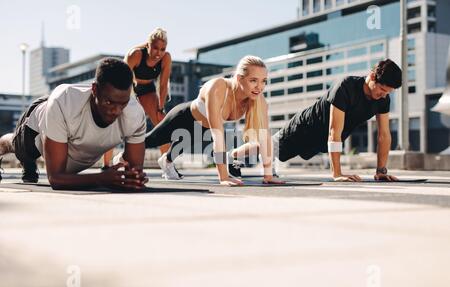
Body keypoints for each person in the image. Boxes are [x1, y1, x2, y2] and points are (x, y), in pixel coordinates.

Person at [238, 59, 401, 182]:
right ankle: (233, 156)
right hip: (305, 128)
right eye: (382, 89)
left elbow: (384, 135)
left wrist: (381, 171)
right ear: (372, 76)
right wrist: (337, 174)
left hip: (322, 140)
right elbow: (334, 130)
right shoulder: (346, 87)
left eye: (388, 93)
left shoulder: (382, 100)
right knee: (270, 148)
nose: (384, 95)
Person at [0, 58, 148, 190]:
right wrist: (102, 178)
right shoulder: (63, 104)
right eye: (109, 102)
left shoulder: (134, 114)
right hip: (39, 122)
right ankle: (11, 149)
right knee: (20, 149)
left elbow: (134, 170)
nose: (116, 111)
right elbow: (56, 178)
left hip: (65, 118)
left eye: (123, 103)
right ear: (95, 89)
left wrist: (132, 176)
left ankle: (28, 163)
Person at [145, 55, 284, 186]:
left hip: (202, 128)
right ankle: (123, 158)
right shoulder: (218, 87)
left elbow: (264, 138)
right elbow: (217, 134)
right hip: (184, 117)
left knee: (177, 150)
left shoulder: (259, 101)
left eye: (263, 81)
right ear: (239, 78)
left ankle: (167, 162)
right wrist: (223, 177)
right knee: (150, 140)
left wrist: (268, 175)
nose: (259, 87)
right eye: (253, 80)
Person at [103, 27, 172, 167]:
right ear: (148, 45)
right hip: (127, 87)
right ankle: (106, 164)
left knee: (161, 120)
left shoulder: (166, 58)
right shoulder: (135, 54)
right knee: (115, 122)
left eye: (162, 49)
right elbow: (123, 79)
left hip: (147, 89)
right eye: (155, 48)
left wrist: (160, 107)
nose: (158, 53)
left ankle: (167, 164)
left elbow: (163, 85)